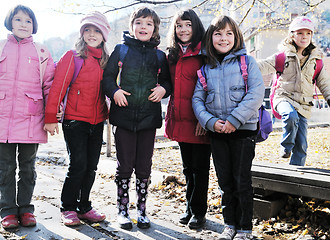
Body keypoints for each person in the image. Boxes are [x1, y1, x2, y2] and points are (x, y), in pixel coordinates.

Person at [192, 15, 264, 240]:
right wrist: (211, 122)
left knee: (241, 180)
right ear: (210, 37)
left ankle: (244, 228)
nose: (223, 38)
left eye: (228, 33)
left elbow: (256, 93)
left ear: (237, 36)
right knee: (224, 181)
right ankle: (229, 224)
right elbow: (197, 100)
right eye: (218, 34)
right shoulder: (205, 69)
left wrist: (234, 120)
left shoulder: (247, 62)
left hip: (243, 131)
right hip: (217, 132)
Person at [102, 7, 171, 230]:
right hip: (123, 119)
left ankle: (142, 211)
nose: (143, 27)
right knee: (124, 167)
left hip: (148, 120)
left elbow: (168, 83)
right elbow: (107, 79)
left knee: (144, 167)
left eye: (149, 24)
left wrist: (163, 90)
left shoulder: (160, 56)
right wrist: (115, 92)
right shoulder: (121, 51)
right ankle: (123, 210)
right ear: (132, 26)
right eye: (139, 22)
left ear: (155, 29)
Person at [43, 11, 110, 226]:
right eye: (87, 30)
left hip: (97, 120)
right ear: (82, 34)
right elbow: (58, 87)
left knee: (91, 165)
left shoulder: (107, 61)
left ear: (104, 35)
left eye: (96, 30)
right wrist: (51, 116)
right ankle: (68, 207)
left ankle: (84, 206)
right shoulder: (72, 56)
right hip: (74, 120)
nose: (91, 34)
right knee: (78, 163)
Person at [0, 5, 55, 229]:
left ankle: (26, 209)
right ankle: (7, 211)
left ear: (34, 25)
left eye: (28, 21)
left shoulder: (41, 52)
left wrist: (52, 116)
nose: (23, 24)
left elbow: (50, 85)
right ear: (9, 22)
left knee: (28, 167)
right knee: (5, 167)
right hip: (2, 118)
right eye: (18, 19)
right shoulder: (1, 47)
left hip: (32, 119)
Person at [258, 16, 330, 166]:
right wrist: (244, 64)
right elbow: (263, 66)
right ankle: (286, 146)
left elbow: (324, 83)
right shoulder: (283, 56)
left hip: (303, 104)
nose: (304, 37)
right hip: (283, 97)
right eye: (300, 33)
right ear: (292, 35)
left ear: (312, 35)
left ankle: (296, 175)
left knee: (302, 145)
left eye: (308, 33)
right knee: (290, 116)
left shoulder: (316, 60)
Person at [164, 9, 211, 229]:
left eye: (188, 25)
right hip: (180, 118)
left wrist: (206, 119)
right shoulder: (171, 55)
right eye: (179, 26)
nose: (183, 30)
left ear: (196, 27)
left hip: (199, 119)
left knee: (200, 168)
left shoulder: (205, 52)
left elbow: (211, 87)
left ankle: (199, 212)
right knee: (187, 168)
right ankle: (189, 208)